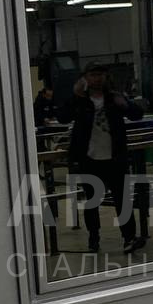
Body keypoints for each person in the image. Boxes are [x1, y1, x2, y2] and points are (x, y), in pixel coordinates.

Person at [59, 63, 146, 254]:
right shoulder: (80, 101)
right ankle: (94, 239)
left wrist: (125, 104)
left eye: (100, 74)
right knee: (92, 202)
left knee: (122, 200)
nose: (97, 78)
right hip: (89, 159)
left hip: (115, 158)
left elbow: (137, 115)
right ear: (85, 78)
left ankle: (129, 238)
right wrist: (75, 96)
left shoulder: (114, 98)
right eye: (93, 74)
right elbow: (62, 117)